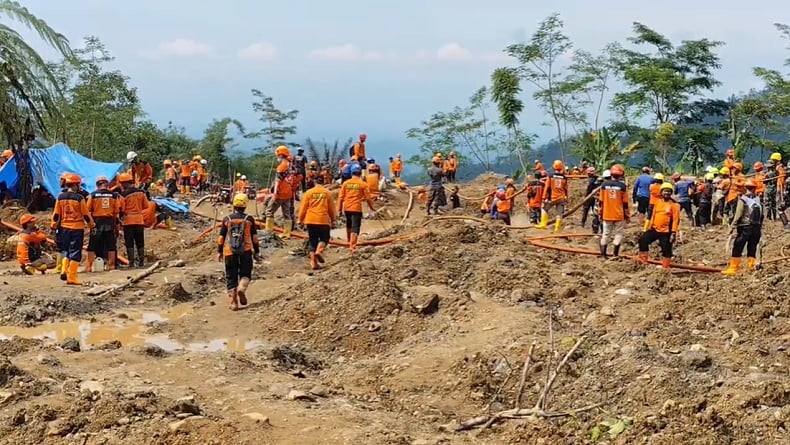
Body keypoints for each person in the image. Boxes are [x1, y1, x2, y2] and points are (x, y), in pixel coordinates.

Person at [217, 193, 261, 310]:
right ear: (245, 205)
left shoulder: (227, 219)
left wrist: (219, 251)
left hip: (230, 252)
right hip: (245, 251)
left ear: (234, 204)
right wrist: (257, 251)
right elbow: (255, 238)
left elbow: (221, 237)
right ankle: (242, 288)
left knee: (231, 277)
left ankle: (234, 303)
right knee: (245, 274)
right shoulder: (249, 219)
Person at [51, 173, 95, 285]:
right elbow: (86, 214)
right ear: (76, 185)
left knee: (65, 250)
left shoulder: (60, 197)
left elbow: (56, 214)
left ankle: (64, 270)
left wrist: (53, 226)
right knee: (75, 252)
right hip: (77, 228)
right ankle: (72, 277)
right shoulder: (79, 198)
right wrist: (92, 225)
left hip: (64, 228)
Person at [722, 179, 762, 274]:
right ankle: (750, 266)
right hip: (756, 227)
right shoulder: (758, 199)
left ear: (745, 188)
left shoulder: (743, 199)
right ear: (754, 188)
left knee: (738, 246)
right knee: (752, 246)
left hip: (745, 227)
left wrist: (732, 226)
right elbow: (762, 214)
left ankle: (734, 268)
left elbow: (738, 214)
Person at [637, 182, 680, 270]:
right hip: (655, 229)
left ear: (671, 193)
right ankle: (643, 261)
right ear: (661, 192)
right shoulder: (657, 202)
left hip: (666, 231)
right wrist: (648, 227)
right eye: (665, 191)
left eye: (668, 191)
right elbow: (653, 215)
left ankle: (665, 267)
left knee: (666, 249)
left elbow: (676, 220)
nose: (666, 193)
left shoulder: (675, 205)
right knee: (642, 240)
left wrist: (673, 232)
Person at [298, 175, 336, 270]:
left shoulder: (309, 193)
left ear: (315, 182)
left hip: (310, 220)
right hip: (323, 220)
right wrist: (333, 220)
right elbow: (331, 209)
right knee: (325, 238)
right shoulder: (327, 193)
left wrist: (300, 220)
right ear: (323, 182)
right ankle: (319, 251)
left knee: (312, 241)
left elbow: (303, 208)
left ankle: (313, 263)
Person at [337, 163, 376, 252]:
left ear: (351, 173)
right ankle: (352, 246)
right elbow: (368, 198)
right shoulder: (363, 184)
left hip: (347, 208)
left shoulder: (346, 183)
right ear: (360, 173)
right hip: (356, 208)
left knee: (349, 224)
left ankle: (348, 242)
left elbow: (340, 197)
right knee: (355, 227)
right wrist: (372, 208)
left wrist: (339, 209)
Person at [86, 176, 121, 271]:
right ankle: (111, 265)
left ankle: (89, 266)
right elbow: (116, 212)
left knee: (92, 244)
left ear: (97, 185)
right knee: (111, 245)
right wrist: (117, 226)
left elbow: (88, 210)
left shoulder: (92, 195)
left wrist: (90, 225)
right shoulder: (114, 196)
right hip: (109, 222)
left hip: (96, 222)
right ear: (107, 184)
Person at [264, 145, 297, 238]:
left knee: (269, 211)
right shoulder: (290, 165)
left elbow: (277, 181)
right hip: (288, 193)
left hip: (280, 193)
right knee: (287, 214)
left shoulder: (281, 167)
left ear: (281, 155)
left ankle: (268, 232)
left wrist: (275, 193)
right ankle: (287, 233)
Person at [118, 172, 149, 268]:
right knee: (140, 241)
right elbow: (145, 206)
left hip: (128, 221)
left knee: (129, 242)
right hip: (139, 220)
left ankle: (131, 263)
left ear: (124, 183)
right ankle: (141, 262)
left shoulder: (123, 194)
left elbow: (122, 209)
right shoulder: (141, 192)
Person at [598, 165, 629, 259]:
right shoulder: (623, 186)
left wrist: (600, 213)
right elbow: (625, 203)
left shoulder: (604, 185)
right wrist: (627, 215)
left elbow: (601, 201)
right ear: (621, 175)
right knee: (618, 234)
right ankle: (615, 254)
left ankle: (603, 255)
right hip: (619, 215)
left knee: (605, 234)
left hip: (607, 214)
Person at [540, 160, 569, 232]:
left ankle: (543, 224)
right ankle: (557, 228)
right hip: (561, 198)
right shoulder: (564, 177)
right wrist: (566, 197)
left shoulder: (550, 176)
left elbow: (547, 187)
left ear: (554, 167)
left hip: (552, 197)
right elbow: (566, 189)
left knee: (544, 208)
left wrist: (544, 197)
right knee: (559, 213)